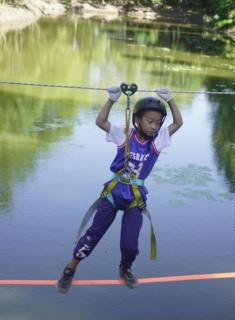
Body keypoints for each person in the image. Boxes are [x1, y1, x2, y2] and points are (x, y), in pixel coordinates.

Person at [56, 86, 183, 293]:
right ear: (137, 119)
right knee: (92, 237)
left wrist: (171, 100)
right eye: (150, 121)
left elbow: (178, 123)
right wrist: (111, 100)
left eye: (158, 122)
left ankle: (125, 268)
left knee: (130, 246)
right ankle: (70, 268)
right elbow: (101, 122)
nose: (154, 126)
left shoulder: (157, 141)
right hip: (114, 195)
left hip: (135, 199)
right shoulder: (125, 136)